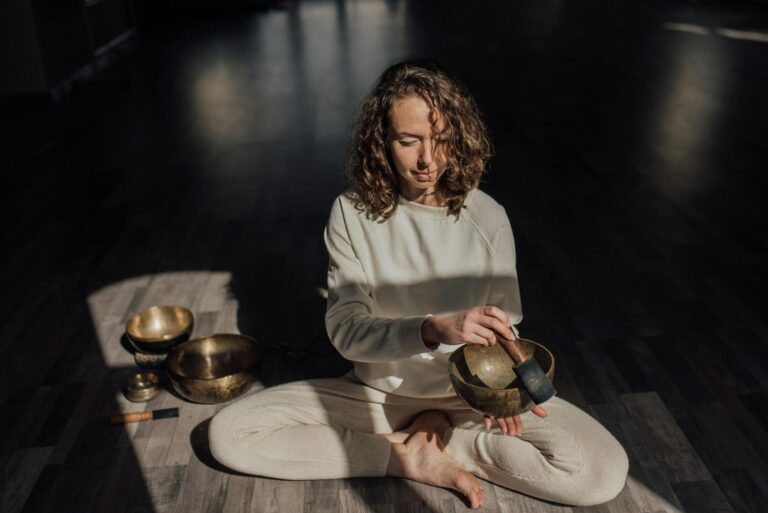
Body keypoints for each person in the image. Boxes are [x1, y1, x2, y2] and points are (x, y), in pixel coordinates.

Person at [209, 59, 629, 509]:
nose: (428, 160)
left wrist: (510, 394)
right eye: (409, 142)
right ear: (382, 142)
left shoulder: (488, 217)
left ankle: (439, 440)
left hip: (467, 401)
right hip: (379, 397)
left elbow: (505, 331)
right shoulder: (352, 213)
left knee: (599, 471)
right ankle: (405, 457)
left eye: (442, 140)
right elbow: (346, 333)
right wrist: (430, 329)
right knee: (229, 434)